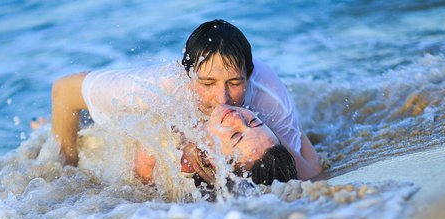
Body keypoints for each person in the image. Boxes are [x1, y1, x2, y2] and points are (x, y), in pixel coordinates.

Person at [51, 19, 321, 184]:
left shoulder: (269, 102)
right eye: (207, 84)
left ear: (249, 77)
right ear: (187, 76)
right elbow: (63, 91)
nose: (223, 99)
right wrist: (65, 171)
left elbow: (308, 172)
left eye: (235, 83)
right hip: (116, 121)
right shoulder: (155, 89)